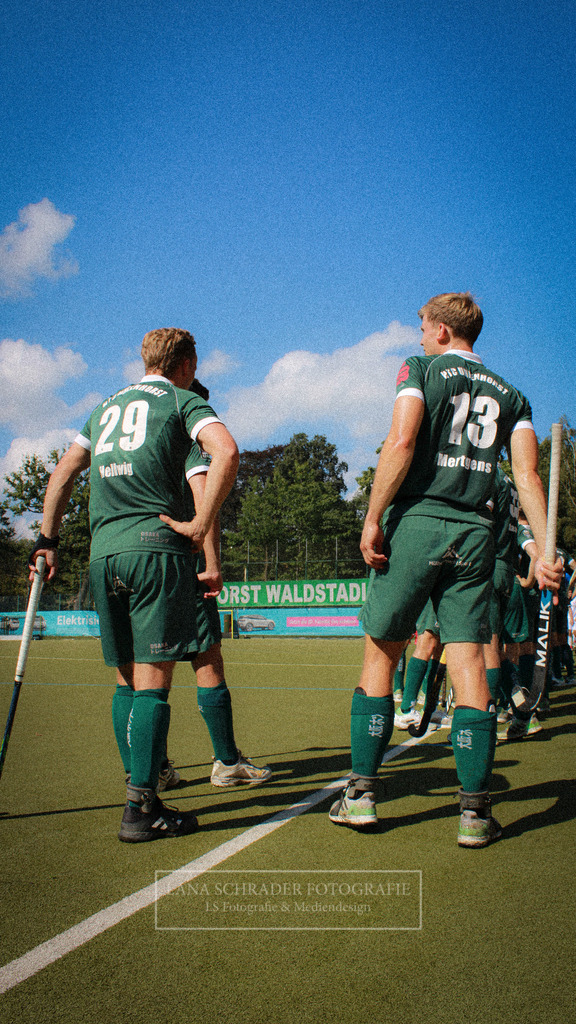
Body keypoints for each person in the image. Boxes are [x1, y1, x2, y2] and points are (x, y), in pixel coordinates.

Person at [328, 292, 562, 847]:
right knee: (470, 665)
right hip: (475, 534)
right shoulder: (512, 394)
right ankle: (475, 813)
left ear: (439, 330)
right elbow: (527, 476)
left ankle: (361, 795)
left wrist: (372, 516)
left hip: (418, 521)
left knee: (381, 653)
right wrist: (545, 549)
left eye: (421, 327)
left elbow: (402, 439)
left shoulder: (421, 368)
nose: (419, 336)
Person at [28, 328, 239, 843]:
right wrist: (200, 525)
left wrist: (47, 541)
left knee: (125, 680)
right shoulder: (181, 399)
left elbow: (63, 473)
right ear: (186, 364)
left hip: (103, 556)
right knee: (153, 681)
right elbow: (226, 453)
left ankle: (141, 780)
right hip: (154, 553)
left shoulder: (104, 407)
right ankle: (141, 807)